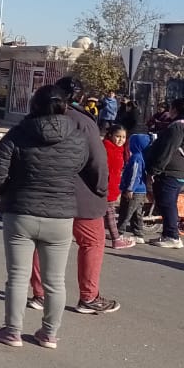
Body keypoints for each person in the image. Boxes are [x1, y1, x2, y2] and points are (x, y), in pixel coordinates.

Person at [0, 84, 101, 350]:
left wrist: (7, 192)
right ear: (65, 105)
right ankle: (49, 334)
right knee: (55, 280)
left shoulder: (18, 133)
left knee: (17, 276)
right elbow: (84, 165)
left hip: (20, 213)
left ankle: (12, 331)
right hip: (60, 215)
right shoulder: (77, 136)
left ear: (33, 105)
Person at [25, 76, 117, 314]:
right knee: (92, 242)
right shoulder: (83, 122)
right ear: (80, 97)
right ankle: (88, 297)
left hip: (44, 192)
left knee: (43, 242)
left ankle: (40, 294)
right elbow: (97, 162)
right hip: (81, 194)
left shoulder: (34, 119)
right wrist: (101, 190)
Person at [146, 98, 184, 250]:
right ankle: (168, 234)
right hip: (178, 171)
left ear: (175, 109)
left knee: (167, 204)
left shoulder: (178, 127)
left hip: (170, 171)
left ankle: (172, 236)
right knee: (170, 204)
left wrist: (154, 170)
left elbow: (167, 150)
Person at [102, 125, 134, 249]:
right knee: (109, 212)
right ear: (110, 135)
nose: (121, 140)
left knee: (105, 213)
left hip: (113, 186)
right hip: (105, 186)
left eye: (124, 137)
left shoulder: (120, 150)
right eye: (118, 136)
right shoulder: (106, 148)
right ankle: (116, 239)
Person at [118, 133, 151, 244]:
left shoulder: (136, 158)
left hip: (134, 191)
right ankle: (138, 234)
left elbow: (134, 174)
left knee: (126, 212)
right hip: (141, 190)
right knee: (137, 213)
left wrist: (130, 189)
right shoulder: (143, 156)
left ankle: (118, 232)